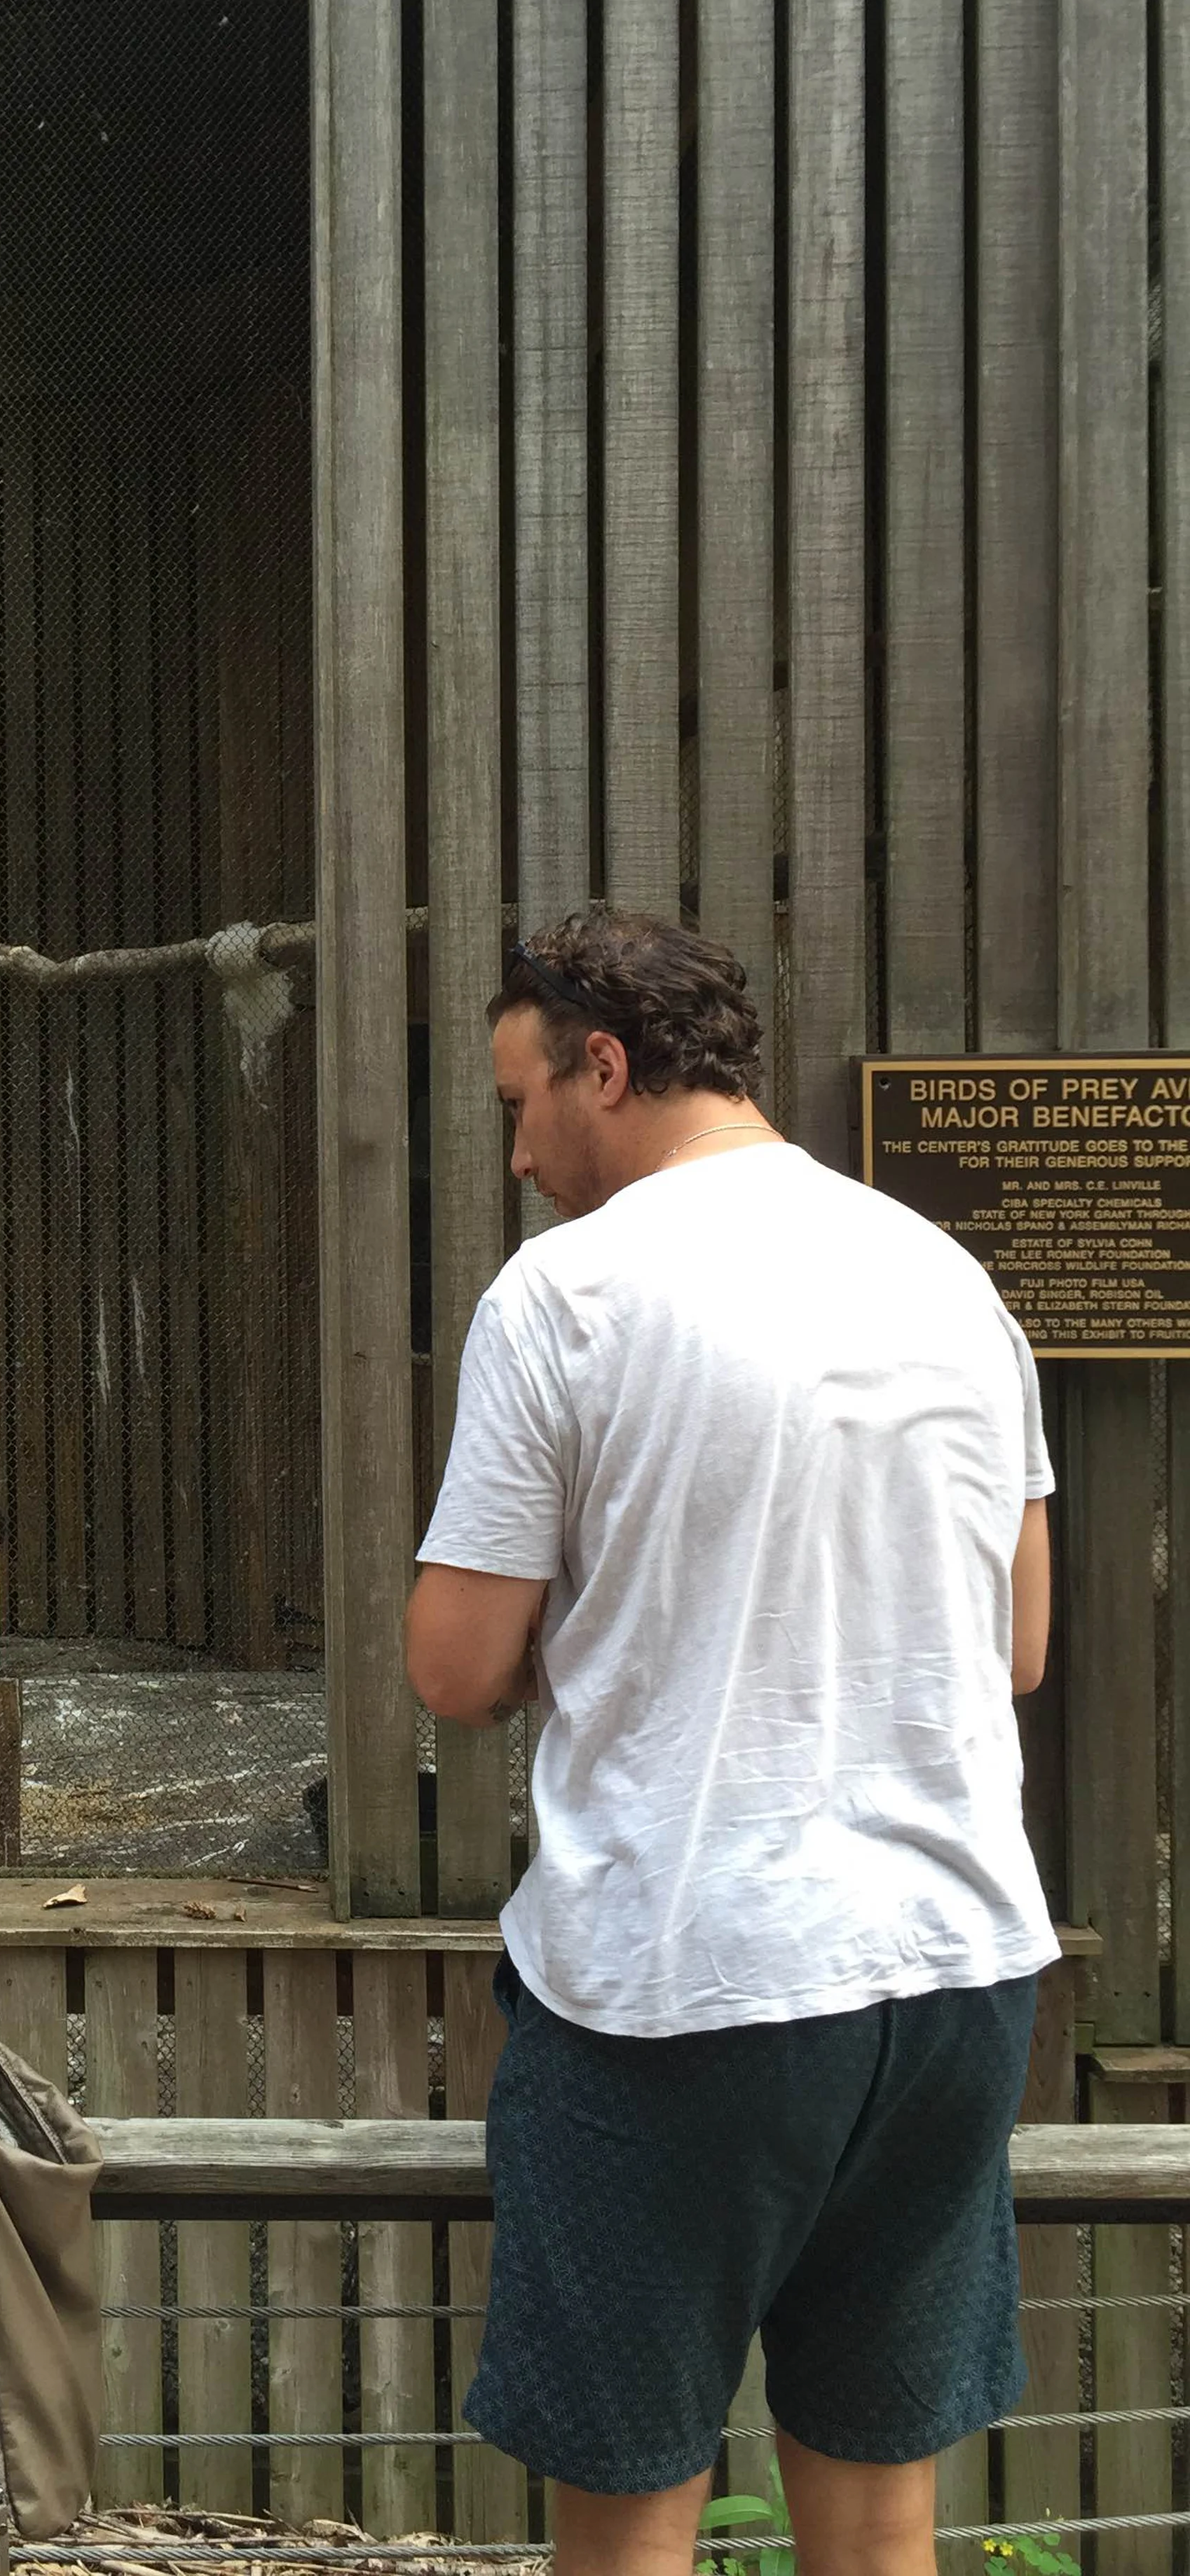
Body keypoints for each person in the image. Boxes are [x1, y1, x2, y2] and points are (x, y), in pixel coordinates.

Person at [404, 908, 1055, 2576]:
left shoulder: (568, 1293)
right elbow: (1022, 1643)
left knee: (630, 2520)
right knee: (879, 2513)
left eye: (519, 1100)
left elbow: (456, 1665)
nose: (516, 1148)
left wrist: (618, 1625)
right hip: (952, 1968)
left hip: (690, 1979)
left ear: (603, 1067)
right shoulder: (945, 1272)